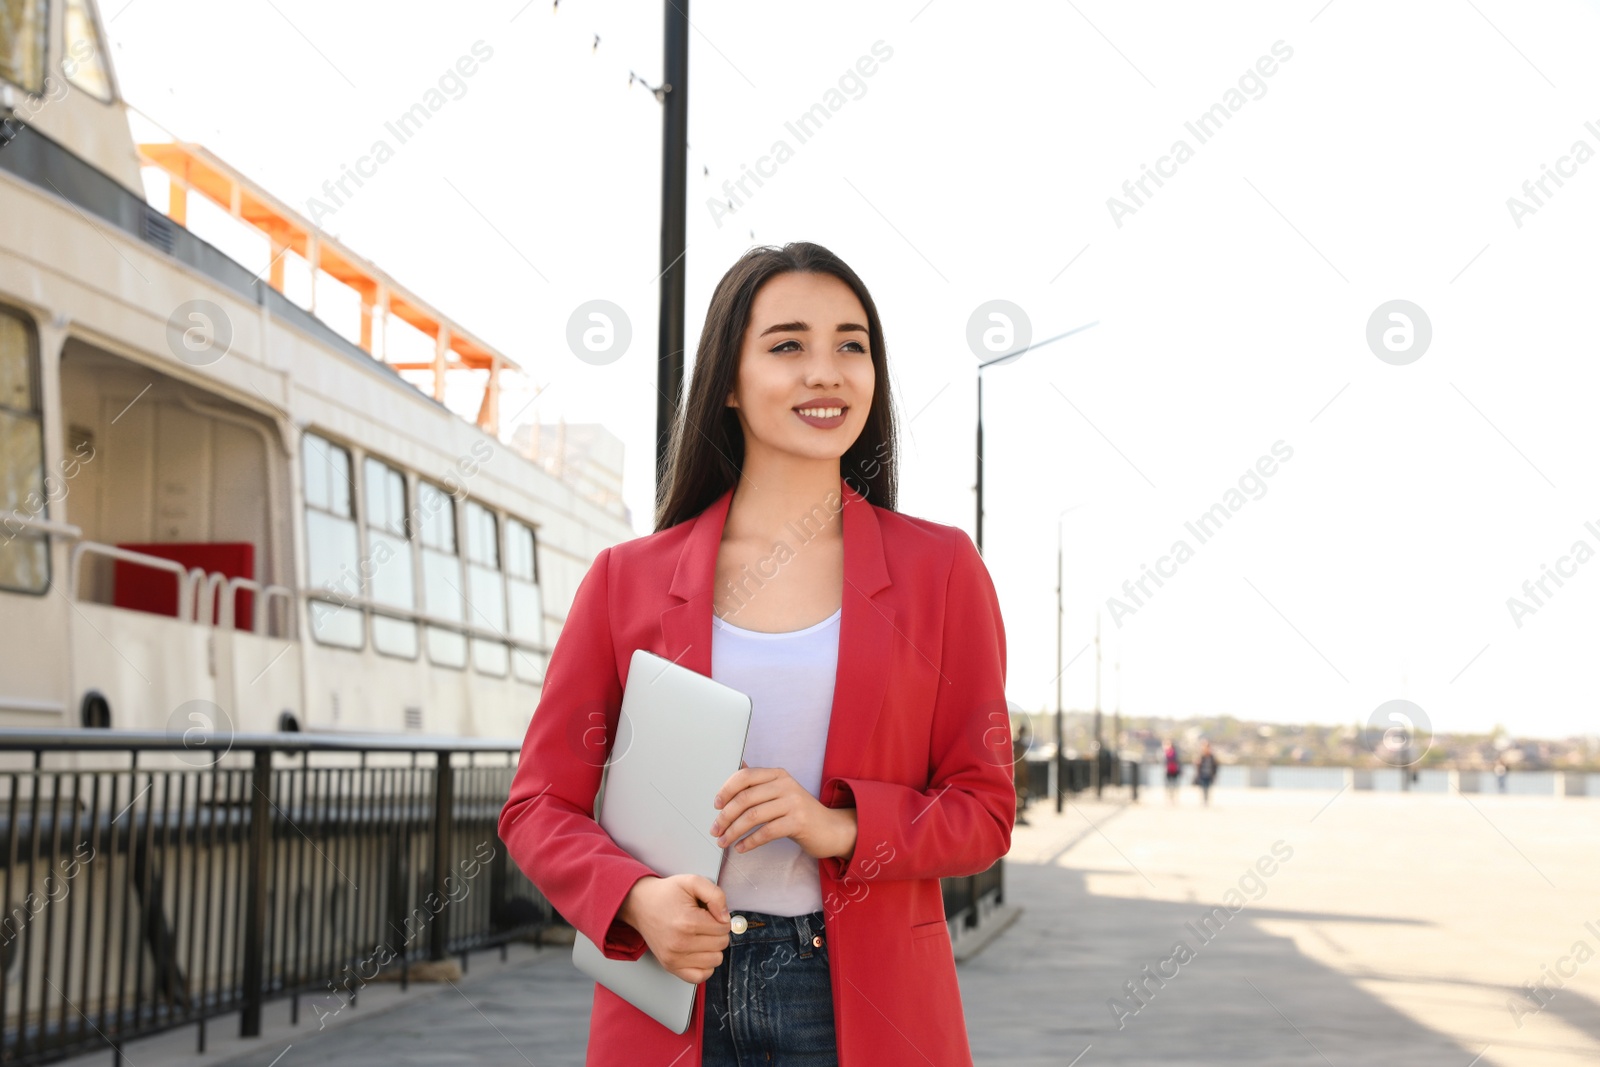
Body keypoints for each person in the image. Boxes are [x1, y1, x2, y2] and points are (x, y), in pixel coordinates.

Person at [497, 242, 1015, 1067]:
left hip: (859, 1003)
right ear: (729, 383)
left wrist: (836, 824)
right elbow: (537, 806)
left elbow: (983, 810)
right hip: (676, 989)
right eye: (788, 345)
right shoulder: (626, 580)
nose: (827, 370)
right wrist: (634, 898)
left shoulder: (941, 571)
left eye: (852, 344)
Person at [1195, 741, 1218, 806]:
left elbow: (1215, 766)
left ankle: (1206, 800)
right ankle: (1204, 800)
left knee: (1208, 787)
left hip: (1209, 774)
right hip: (1202, 774)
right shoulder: (1201, 756)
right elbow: (1197, 766)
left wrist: (1214, 774)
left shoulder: (1211, 756)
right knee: (1203, 787)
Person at [1162, 738, 1181, 805]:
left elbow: (1177, 762)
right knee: (1170, 785)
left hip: (1173, 770)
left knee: (1172, 784)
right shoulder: (1168, 752)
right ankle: (1171, 798)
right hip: (1169, 770)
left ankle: (1173, 798)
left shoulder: (1170, 753)